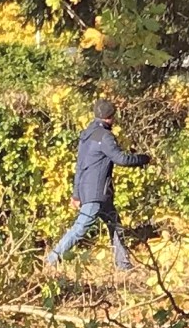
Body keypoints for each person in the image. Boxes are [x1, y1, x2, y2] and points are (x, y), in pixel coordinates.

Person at [46, 98, 151, 271]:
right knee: (80, 228)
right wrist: (143, 158)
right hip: (97, 192)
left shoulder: (89, 135)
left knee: (115, 224)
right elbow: (121, 159)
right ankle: (52, 259)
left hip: (92, 191)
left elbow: (80, 165)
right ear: (110, 117)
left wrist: (76, 194)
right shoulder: (104, 136)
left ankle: (123, 265)